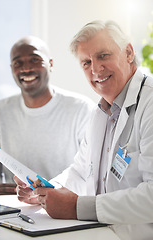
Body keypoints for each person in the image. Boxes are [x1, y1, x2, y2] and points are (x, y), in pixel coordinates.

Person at [14, 20, 153, 240]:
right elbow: (80, 171)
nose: (96, 69)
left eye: (103, 56)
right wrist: (47, 193)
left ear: (128, 52)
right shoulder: (102, 111)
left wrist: (79, 207)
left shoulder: (150, 103)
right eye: (86, 63)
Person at [0, 36, 94, 196]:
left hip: (64, 210)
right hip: (15, 211)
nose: (26, 69)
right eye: (18, 63)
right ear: (12, 69)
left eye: (35, 60)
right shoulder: (1, 110)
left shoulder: (81, 109)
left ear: (50, 64)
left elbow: (90, 172)